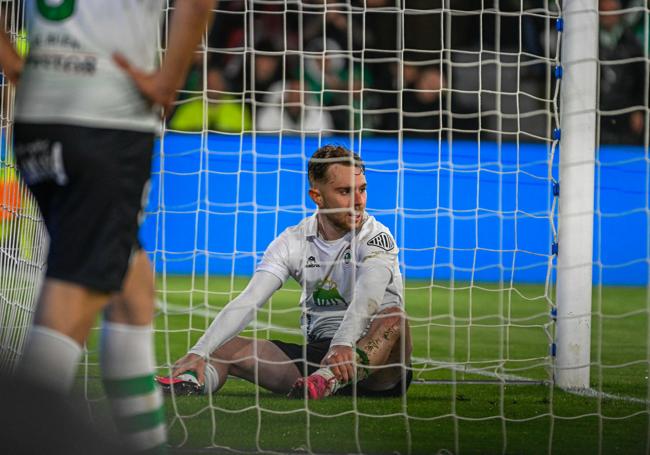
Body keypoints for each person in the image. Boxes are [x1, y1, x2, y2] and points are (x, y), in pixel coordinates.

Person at [0, 0, 214, 452]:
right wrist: (170, 80)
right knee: (73, 297)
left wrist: (10, 59)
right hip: (106, 122)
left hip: (36, 121)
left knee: (131, 287)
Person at [161, 145, 412, 400]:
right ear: (317, 196)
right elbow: (249, 300)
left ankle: (329, 379)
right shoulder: (293, 241)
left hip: (377, 363)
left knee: (394, 317)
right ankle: (188, 383)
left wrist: (343, 344)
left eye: (362, 189)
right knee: (222, 348)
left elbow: (367, 296)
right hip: (319, 357)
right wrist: (198, 351)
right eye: (344, 192)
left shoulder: (377, 237)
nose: (358, 202)